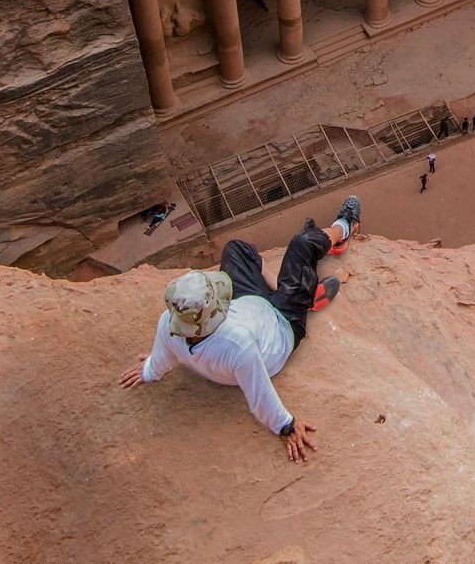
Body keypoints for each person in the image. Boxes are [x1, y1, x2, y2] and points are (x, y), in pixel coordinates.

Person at [120, 197, 360, 463]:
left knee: (236, 249)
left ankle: (289, 290)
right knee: (302, 245)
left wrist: (149, 370)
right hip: (282, 323)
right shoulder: (237, 345)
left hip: (248, 306)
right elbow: (259, 396)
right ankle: (345, 227)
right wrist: (287, 427)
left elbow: (162, 360)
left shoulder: (169, 323)